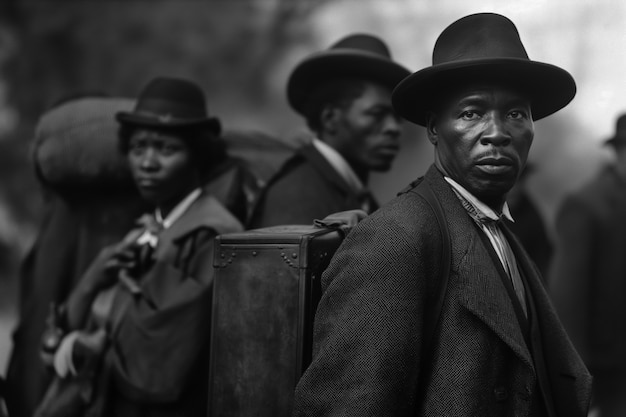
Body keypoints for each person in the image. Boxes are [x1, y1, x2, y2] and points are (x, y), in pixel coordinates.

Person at [293, 13, 591, 417]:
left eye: (516, 114)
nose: (497, 132)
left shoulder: (497, 227)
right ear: (434, 128)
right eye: (471, 113)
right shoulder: (396, 239)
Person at [33, 77, 243, 417]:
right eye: (137, 148)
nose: (147, 163)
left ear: (197, 157)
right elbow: (53, 352)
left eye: (166, 149)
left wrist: (87, 345)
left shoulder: (211, 234)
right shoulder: (141, 232)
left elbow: (161, 362)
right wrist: (91, 281)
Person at [248, 33, 410, 228]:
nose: (393, 128)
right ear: (330, 118)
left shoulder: (351, 190)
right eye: (377, 114)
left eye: (397, 117)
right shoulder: (297, 195)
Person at [549, 113, 626, 417]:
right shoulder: (586, 205)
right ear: (619, 151)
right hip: (608, 370)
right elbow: (568, 303)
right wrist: (578, 386)